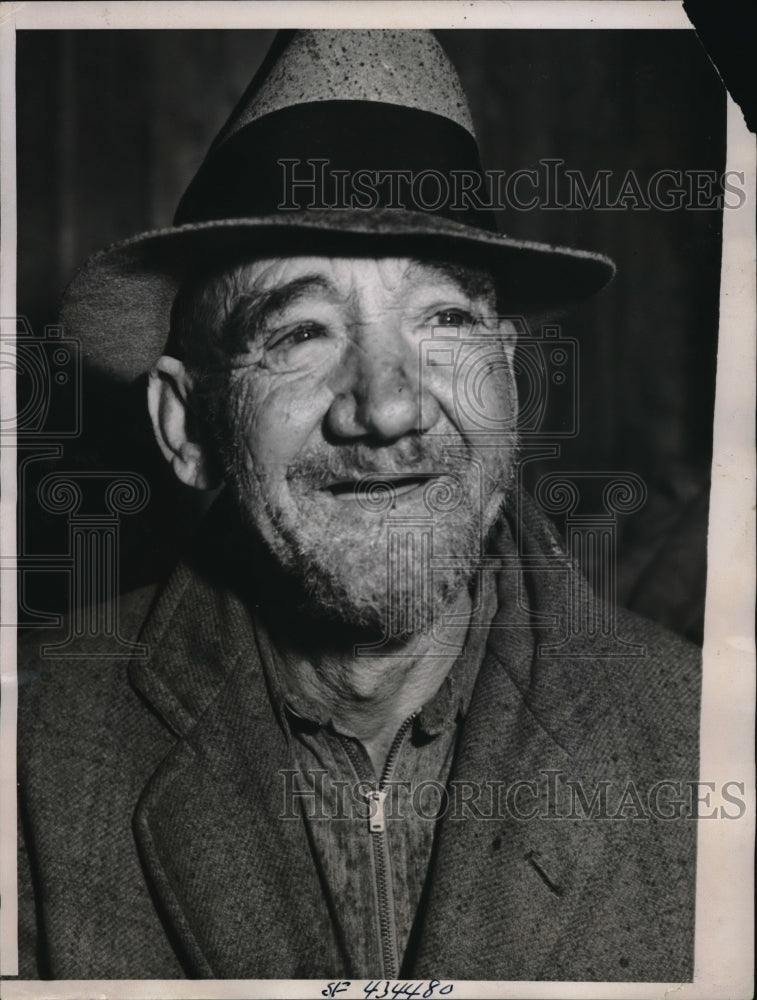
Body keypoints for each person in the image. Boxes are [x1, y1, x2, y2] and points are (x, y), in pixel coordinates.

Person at [16, 30, 700, 982]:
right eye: (299, 331)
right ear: (186, 424)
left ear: (506, 380)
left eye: (445, 320)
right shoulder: (29, 750)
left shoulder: (701, 736)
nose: (386, 406)